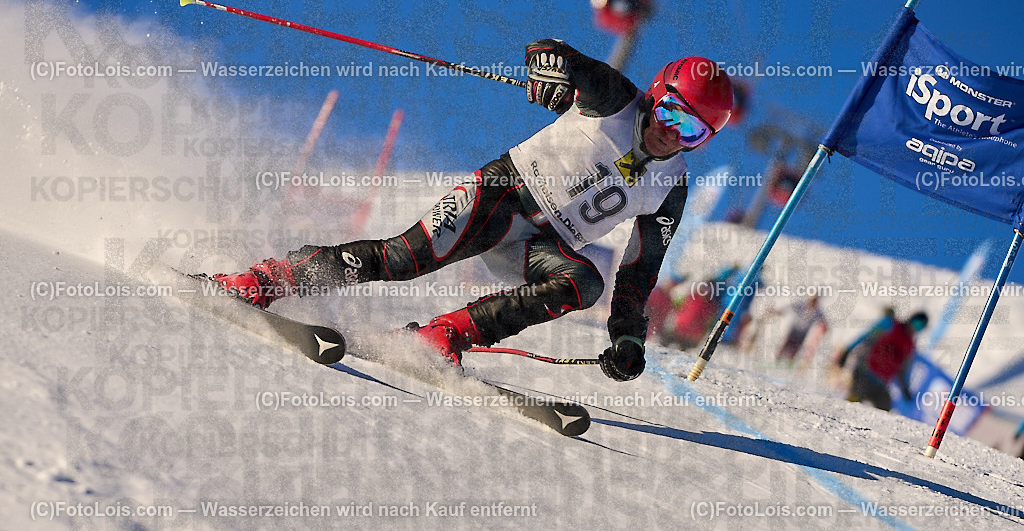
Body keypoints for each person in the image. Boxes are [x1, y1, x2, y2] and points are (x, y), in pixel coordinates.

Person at [209, 40, 733, 381]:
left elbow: (639, 271)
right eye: (671, 113)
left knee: (584, 283)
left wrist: (626, 335)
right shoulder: (613, 96)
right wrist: (550, 73)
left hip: (538, 249)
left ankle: (442, 337)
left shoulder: (671, 187)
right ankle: (267, 279)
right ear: (656, 94)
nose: (673, 134)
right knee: (402, 259)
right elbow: (551, 53)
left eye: (693, 131)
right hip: (500, 198)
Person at [841, 311, 928, 411]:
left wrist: (905, 389)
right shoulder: (891, 325)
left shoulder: (910, 345)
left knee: (885, 410)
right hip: (865, 373)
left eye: (920, 327)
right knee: (853, 403)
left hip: (881, 383)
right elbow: (866, 336)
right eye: (916, 323)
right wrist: (847, 351)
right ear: (910, 319)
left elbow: (903, 370)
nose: (915, 328)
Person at [775, 295, 828, 363]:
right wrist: (781, 311)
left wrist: (825, 326)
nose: (812, 302)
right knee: (787, 345)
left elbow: (823, 320)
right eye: (812, 300)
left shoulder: (818, 311)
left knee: (795, 348)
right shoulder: (802, 305)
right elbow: (790, 307)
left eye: (814, 301)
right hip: (795, 329)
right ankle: (778, 358)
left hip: (803, 333)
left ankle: (789, 362)